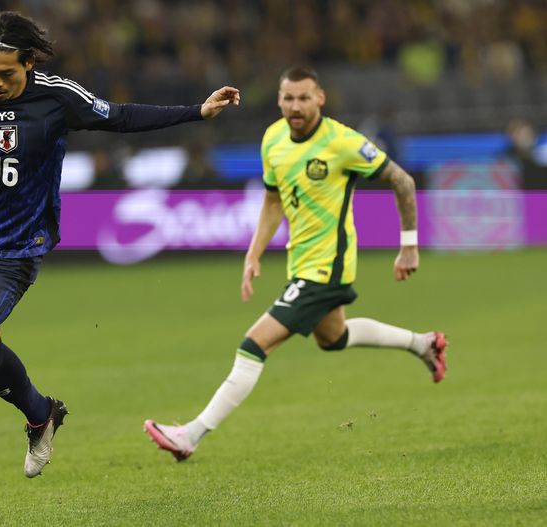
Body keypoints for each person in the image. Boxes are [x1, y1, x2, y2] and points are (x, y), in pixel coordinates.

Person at [0, 11, 239, 505]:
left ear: (28, 63)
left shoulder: (57, 97)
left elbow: (118, 117)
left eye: (6, 73)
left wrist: (195, 112)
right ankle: (41, 414)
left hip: (16, 251)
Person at [144, 66, 447, 462]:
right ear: (279, 100)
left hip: (327, 269)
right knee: (332, 337)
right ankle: (424, 344)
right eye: (289, 98)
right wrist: (253, 254)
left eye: (304, 98)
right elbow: (273, 201)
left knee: (253, 345)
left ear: (320, 98)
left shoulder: (342, 142)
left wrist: (409, 246)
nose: (296, 106)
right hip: (301, 264)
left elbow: (403, 181)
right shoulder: (273, 139)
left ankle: (191, 435)